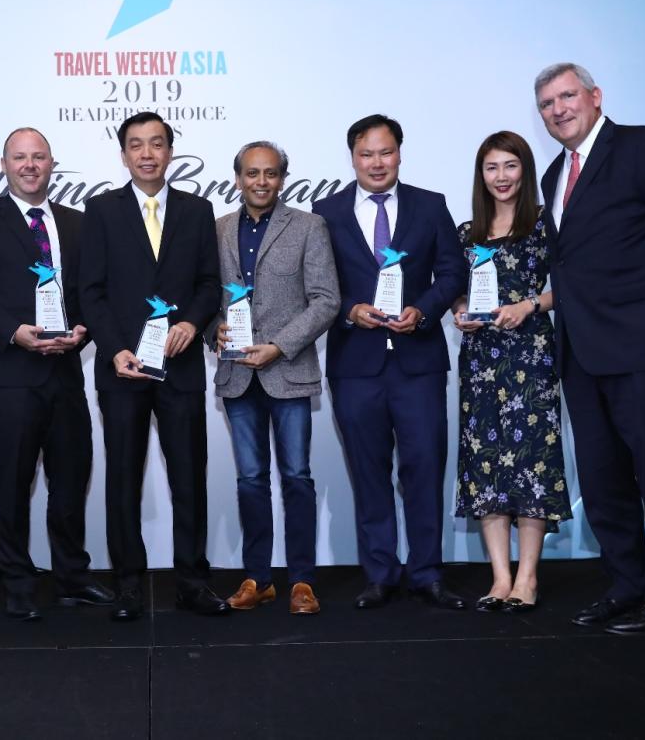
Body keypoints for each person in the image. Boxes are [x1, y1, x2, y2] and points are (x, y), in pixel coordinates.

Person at [533, 63, 645, 633]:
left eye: (567, 96)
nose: (559, 109)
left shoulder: (641, 147)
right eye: (546, 103)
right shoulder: (552, 176)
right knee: (603, 480)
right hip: (583, 353)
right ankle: (626, 584)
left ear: (595, 96)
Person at [0, 127, 113, 621]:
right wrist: (12, 329)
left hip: (65, 372)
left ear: (51, 163)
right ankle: (17, 581)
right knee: (13, 482)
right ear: (4, 164)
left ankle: (72, 579)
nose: (29, 165)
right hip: (8, 375)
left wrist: (83, 331)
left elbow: (91, 291)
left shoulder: (76, 223)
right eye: (19, 157)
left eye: (38, 157)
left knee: (71, 478)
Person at [312, 114, 468, 611]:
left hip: (417, 363)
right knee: (368, 471)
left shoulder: (430, 205)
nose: (377, 163)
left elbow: (452, 271)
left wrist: (423, 311)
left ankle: (427, 573)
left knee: (424, 468)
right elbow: (317, 287)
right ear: (352, 157)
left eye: (385, 152)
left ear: (400, 153)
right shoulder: (325, 213)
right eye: (366, 154)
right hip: (356, 365)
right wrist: (349, 310)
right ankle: (380, 573)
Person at [78, 111, 227, 621]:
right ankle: (127, 586)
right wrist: (115, 346)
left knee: (190, 477)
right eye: (136, 145)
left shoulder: (197, 210)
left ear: (170, 151)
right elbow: (89, 290)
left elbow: (210, 283)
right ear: (123, 155)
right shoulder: (99, 211)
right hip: (121, 369)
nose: (147, 153)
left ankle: (193, 582)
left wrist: (192, 322)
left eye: (157, 144)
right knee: (122, 478)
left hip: (180, 366)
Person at [213, 141, 339, 615]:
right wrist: (212, 329)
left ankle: (302, 581)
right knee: (249, 480)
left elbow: (326, 299)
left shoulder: (308, 226)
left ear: (282, 178)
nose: (260, 182)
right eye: (251, 173)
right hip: (237, 375)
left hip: (287, 370)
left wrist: (280, 345)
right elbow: (207, 299)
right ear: (238, 177)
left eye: (269, 174)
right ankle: (257, 578)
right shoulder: (218, 229)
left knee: (296, 476)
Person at [450, 131, 570, 614]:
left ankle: (528, 577)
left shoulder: (545, 224)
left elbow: (569, 285)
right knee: (487, 466)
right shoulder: (466, 233)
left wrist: (528, 306)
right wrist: (459, 309)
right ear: (481, 175)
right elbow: (457, 291)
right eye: (492, 168)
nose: (501, 177)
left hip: (531, 356)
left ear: (525, 171)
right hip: (481, 361)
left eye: (511, 166)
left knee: (531, 463)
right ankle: (500, 579)